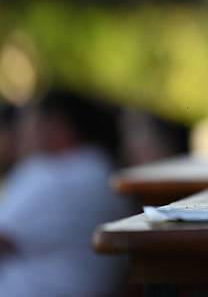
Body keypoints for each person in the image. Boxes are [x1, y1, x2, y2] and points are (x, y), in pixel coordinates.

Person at [0, 90, 131, 296]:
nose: (22, 131)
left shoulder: (47, 172)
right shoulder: (104, 170)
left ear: (57, 126)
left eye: (30, 121)